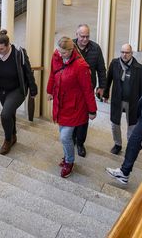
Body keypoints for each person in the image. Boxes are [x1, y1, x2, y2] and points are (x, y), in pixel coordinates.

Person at [47, 36, 97, 178]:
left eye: (63, 53)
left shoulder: (81, 66)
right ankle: (67, 156)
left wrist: (92, 110)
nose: (60, 55)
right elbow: (53, 74)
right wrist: (50, 91)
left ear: (71, 50)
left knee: (64, 137)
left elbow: (88, 89)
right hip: (60, 103)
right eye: (59, 51)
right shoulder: (57, 56)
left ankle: (69, 161)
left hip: (75, 106)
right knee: (64, 136)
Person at [0, 30, 37, 156]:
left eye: (1, 49)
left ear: (8, 46)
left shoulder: (19, 53)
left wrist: (33, 89)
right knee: (10, 113)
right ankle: (13, 135)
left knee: (5, 114)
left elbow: (28, 72)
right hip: (1, 89)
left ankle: (7, 140)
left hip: (17, 89)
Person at [103, 44, 142, 155]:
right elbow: (109, 80)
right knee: (114, 123)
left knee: (132, 124)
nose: (124, 55)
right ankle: (117, 144)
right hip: (117, 100)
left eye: (127, 52)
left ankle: (130, 146)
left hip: (132, 101)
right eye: (122, 52)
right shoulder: (114, 64)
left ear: (131, 53)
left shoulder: (139, 68)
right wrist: (106, 94)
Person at [72, 23, 106, 157]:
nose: (85, 39)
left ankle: (80, 143)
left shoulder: (95, 49)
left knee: (83, 118)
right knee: (72, 114)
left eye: (87, 36)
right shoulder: (70, 47)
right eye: (82, 36)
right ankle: (71, 138)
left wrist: (102, 87)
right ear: (76, 35)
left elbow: (101, 69)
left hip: (87, 90)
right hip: (72, 90)